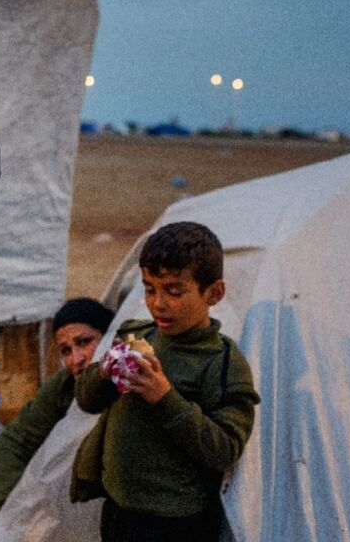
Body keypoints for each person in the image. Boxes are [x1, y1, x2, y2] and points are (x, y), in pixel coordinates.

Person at [70, 221, 260, 542]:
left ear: (214, 293)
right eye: (149, 288)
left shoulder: (222, 361)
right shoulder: (136, 335)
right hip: (118, 508)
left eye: (174, 291)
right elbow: (88, 401)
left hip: (176, 522)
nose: (158, 303)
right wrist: (105, 370)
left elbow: (226, 449)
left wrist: (164, 397)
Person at [0, 296, 113, 507]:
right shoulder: (65, 386)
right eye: (66, 350)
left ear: (109, 339)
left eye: (84, 342)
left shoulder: (132, 377)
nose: (77, 359)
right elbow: (16, 442)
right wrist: (11, 507)